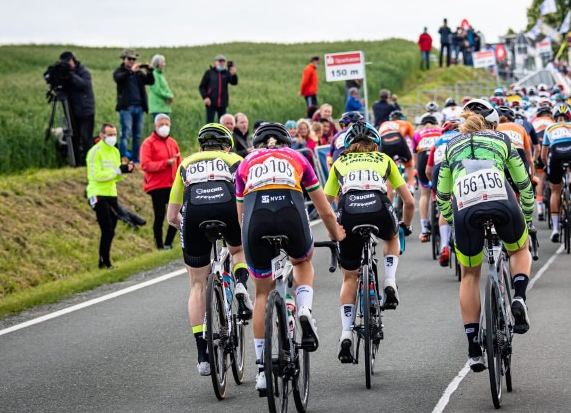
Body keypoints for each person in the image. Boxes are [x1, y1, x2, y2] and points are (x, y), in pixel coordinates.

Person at [235, 122, 344, 392]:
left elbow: (239, 218)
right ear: (287, 142)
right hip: (290, 215)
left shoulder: (245, 163)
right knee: (302, 262)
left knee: (261, 294)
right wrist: (336, 236)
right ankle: (304, 309)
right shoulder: (298, 157)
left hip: (256, 222)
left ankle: (262, 369)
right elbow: (326, 211)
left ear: (257, 145)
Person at [435, 99, 534, 371]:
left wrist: (455, 221)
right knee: (519, 248)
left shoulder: (449, 146)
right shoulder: (503, 140)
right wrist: (526, 218)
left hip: (465, 206)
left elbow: (442, 195)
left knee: (469, 275)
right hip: (501, 198)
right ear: (493, 123)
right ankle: (518, 297)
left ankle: (472, 347)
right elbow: (524, 184)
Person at [324, 122, 415, 361]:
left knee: (349, 276)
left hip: (349, 209)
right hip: (379, 207)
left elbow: (326, 202)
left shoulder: (339, 163)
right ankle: (390, 282)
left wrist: (334, 229)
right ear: (375, 145)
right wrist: (406, 225)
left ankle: (346, 333)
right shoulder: (384, 159)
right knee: (392, 237)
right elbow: (409, 201)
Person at [167, 123, 251, 376]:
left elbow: (172, 215)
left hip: (194, 214)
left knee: (196, 284)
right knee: (237, 250)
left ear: (201, 146)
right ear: (227, 145)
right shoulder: (236, 159)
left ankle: (203, 355)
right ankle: (240, 285)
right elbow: (247, 198)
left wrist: (186, 225)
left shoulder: (187, 163)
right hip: (227, 208)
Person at [86, 123, 135, 269]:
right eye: (110, 134)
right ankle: (104, 262)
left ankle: (105, 261)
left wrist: (125, 170)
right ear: (102, 135)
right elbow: (97, 175)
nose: (113, 137)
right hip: (97, 193)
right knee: (106, 227)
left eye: (114, 134)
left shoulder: (115, 151)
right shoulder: (95, 151)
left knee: (111, 229)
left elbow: (116, 176)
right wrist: (117, 170)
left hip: (111, 193)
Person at [541, 105, 571, 242]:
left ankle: (555, 229)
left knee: (555, 191)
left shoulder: (549, 128)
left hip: (556, 154)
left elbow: (544, 155)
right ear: (569, 117)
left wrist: (547, 166)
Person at [140, 114, 180, 250]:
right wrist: (165, 164)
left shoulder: (173, 143)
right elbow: (145, 164)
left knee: (175, 215)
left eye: (167, 124)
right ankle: (159, 245)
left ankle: (168, 242)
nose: (164, 127)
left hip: (172, 185)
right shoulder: (148, 143)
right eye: (161, 124)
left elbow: (178, 164)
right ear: (155, 126)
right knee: (160, 216)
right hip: (156, 186)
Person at [426, 119, 461, 266]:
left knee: (444, 208)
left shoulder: (438, 141)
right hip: (457, 168)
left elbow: (428, 170)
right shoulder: (462, 138)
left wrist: (432, 184)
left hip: (439, 171)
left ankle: (444, 246)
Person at [113, 49, 155, 162]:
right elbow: (118, 78)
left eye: (134, 59)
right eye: (129, 59)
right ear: (124, 59)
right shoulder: (120, 71)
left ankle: (136, 160)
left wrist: (149, 71)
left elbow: (150, 81)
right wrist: (131, 71)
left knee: (137, 136)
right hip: (126, 108)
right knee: (125, 134)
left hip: (139, 108)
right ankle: (123, 159)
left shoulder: (138, 73)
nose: (132, 61)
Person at [58, 51, 96, 162]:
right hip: (72, 111)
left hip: (86, 111)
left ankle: (88, 162)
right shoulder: (66, 74)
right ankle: (77, 163)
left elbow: (83, 85)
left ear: (72, 60)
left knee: (86, 138)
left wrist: (70, 75)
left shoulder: (84, 72)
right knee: (74, 137)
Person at [413, 113, 443, 241]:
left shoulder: (418, 134)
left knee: (424, 194)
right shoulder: (441, 131)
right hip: (438, 159)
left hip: (423, 160)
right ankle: (445, 220)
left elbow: (414, 157)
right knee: (443, 191)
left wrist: (416, 169)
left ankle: (424, 228)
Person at [378, 109, 416, 188]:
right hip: (398, 140)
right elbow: (414, 138)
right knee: (409, 165)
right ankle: (411, 185)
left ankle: (389, 196)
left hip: (384, 142)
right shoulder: (406, 123)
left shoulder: (384, 123)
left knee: (387, 171)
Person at [199, 55, 238, 124]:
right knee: (210, 123)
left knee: (223, 123)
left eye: (223, 61)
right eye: (220, 61)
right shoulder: (209, 73)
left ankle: (221, 135)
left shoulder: (226, 73)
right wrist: (205, 97)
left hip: (223, 103)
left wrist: (234, 74)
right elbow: (202, 86)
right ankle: (209, 134)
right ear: (215, 62)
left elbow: (234, 82)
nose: (222, 63)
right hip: (211, 102)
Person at [147, 54, 174, 121]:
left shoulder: (159, 74)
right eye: (162, 62)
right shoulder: (154, 74)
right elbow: (157, 90)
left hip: (164, 107)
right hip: (159, 107)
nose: (164, 64)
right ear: (157, 64)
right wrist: (169, 96)